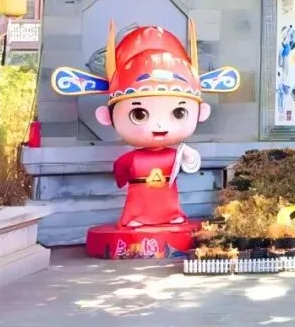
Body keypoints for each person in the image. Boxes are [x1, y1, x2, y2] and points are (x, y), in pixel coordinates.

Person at [51, 22, 240, 228]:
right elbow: (120, 170)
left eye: (179, 113)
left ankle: (172, 215)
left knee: (170, 202)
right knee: (136, 203)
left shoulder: (174, 154)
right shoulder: (132, 158)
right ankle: (134, 217)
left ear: (201, 113)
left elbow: (190, 164)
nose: (159, 125)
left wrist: (188, 156)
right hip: (138, 195)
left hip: (167, 194)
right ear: (106, 116)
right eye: (139, 114)